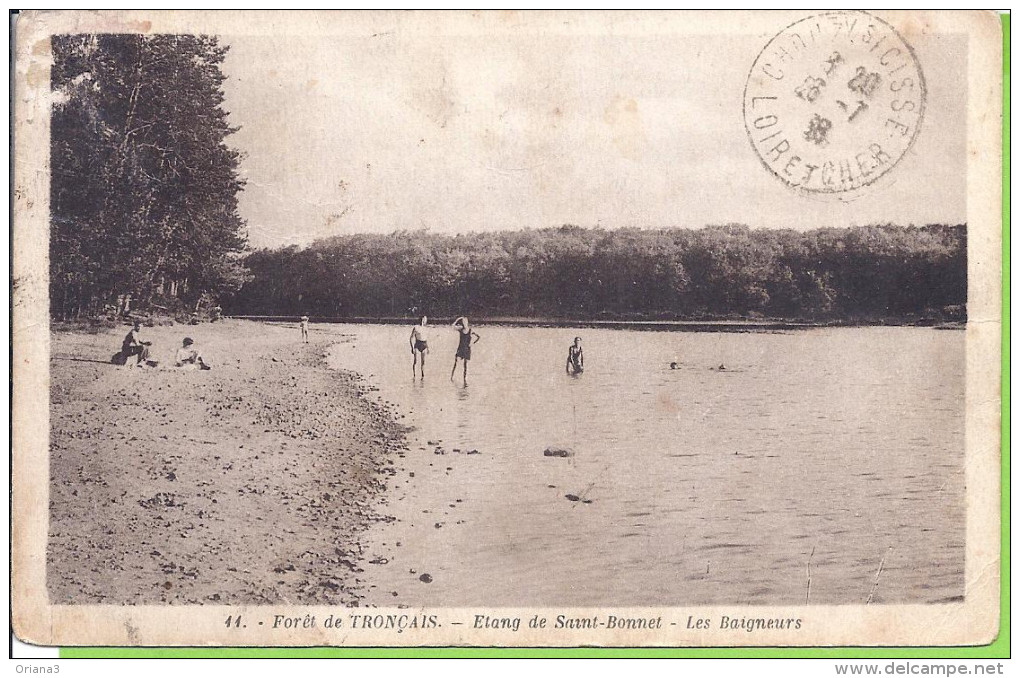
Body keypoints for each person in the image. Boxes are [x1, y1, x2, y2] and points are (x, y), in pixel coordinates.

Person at [450, 317, 480, 385]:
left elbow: (478, 337)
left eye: (465, 322)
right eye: (462, 322)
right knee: (456, 362)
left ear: (467, 322)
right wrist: (457, 319)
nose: (464, 323)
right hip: (460, 348)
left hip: (467, 349)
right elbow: (452, 326)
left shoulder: (470, 330)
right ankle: (452, 377)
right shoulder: (460, 329)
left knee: (465, 365)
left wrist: (472, 343)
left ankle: (465, 379)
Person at [409, 315, 430, 379]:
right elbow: (411, 338)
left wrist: (428, 348)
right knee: (416, 361)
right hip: (418, 344)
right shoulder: (416, 327)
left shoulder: (426, 328)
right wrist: (412, 347)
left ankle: (423, 376)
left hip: (424, 344)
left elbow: (426, 339)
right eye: (422, 319)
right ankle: (414, 376)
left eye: (424, 319)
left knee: (423, 362)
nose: (423, 320)